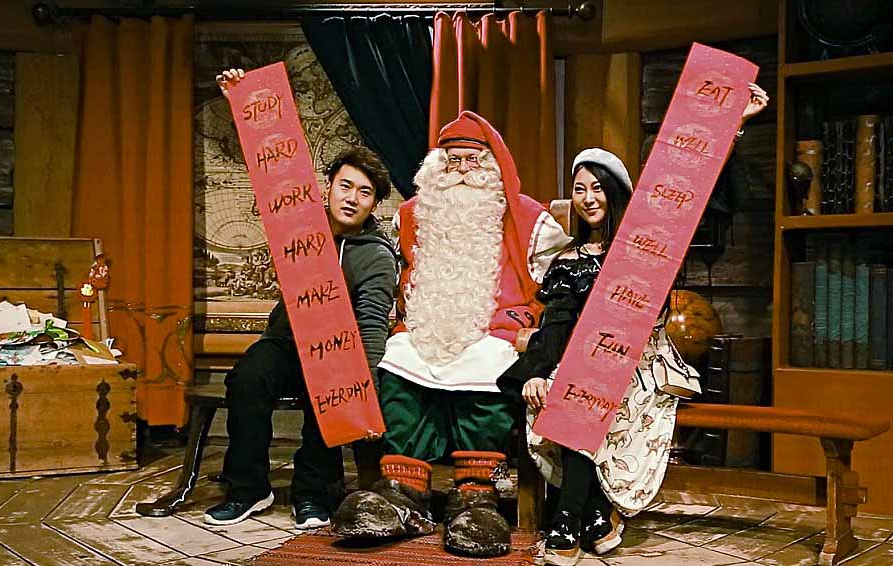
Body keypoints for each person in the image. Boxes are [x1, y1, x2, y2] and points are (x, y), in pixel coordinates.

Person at [497, 84, 769, 565]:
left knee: (586, 392)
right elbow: (556, 326)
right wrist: (536, 371)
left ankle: (566, 520)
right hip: (586, 364)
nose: (587, 198)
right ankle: (594, 516)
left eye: (597, 187)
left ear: (616, 192)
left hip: (641, 364)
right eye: (579, 189)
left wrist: (733, 126)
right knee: (570, 390)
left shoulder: (646, 249)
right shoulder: (568, 261)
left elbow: (696, 198)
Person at [332, 111, 572, 556]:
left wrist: (527, 324)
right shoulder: (412, 215)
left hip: (491, 330)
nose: (461, 171)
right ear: (436, 166)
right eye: (452, 160)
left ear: (492, 165)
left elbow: (562, 284)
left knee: (487, 367)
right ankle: (401, 493)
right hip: (426, 326)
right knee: (398, 362)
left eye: (472, 161)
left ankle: (476, 496)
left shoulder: (527, 218)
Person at [204, 69, 398, 529]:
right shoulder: (299, 225)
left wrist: (365, 386)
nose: (352, 198)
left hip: (341, 355)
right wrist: (240, 97)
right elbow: (268, 170)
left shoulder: (376, 257)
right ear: (328, 186)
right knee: (247, 379)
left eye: (365, 193)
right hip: (287, 340)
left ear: (374, 205)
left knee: (324, 393)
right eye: (345, 185)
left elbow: (373, 323)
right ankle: (248, 488)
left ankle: (314, 492)